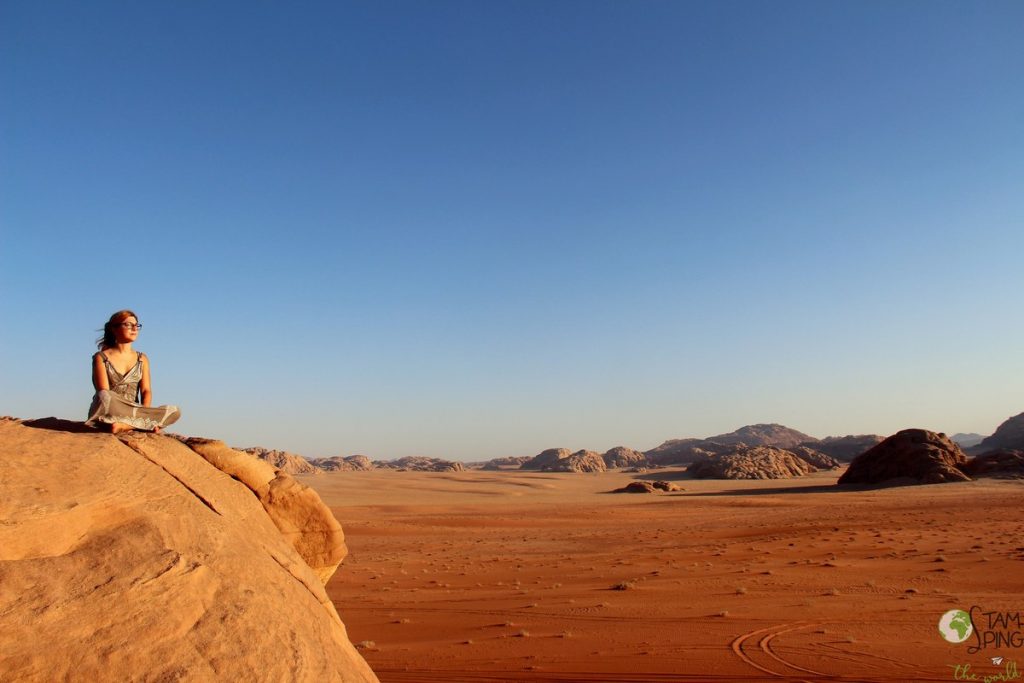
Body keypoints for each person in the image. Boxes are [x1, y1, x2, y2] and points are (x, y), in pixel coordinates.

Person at [85, 309, 181, 434]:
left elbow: (146, 391)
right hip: (111, 409)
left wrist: (145, 412)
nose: (134, 328)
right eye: (128, 324)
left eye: (136, 325)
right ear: (114, 329)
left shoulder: (142, 358)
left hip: (135, 410)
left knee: (174, 411)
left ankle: (126, 425)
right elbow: (103, 391)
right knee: (104, 395)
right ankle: (142, 425)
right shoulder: (101, 357)